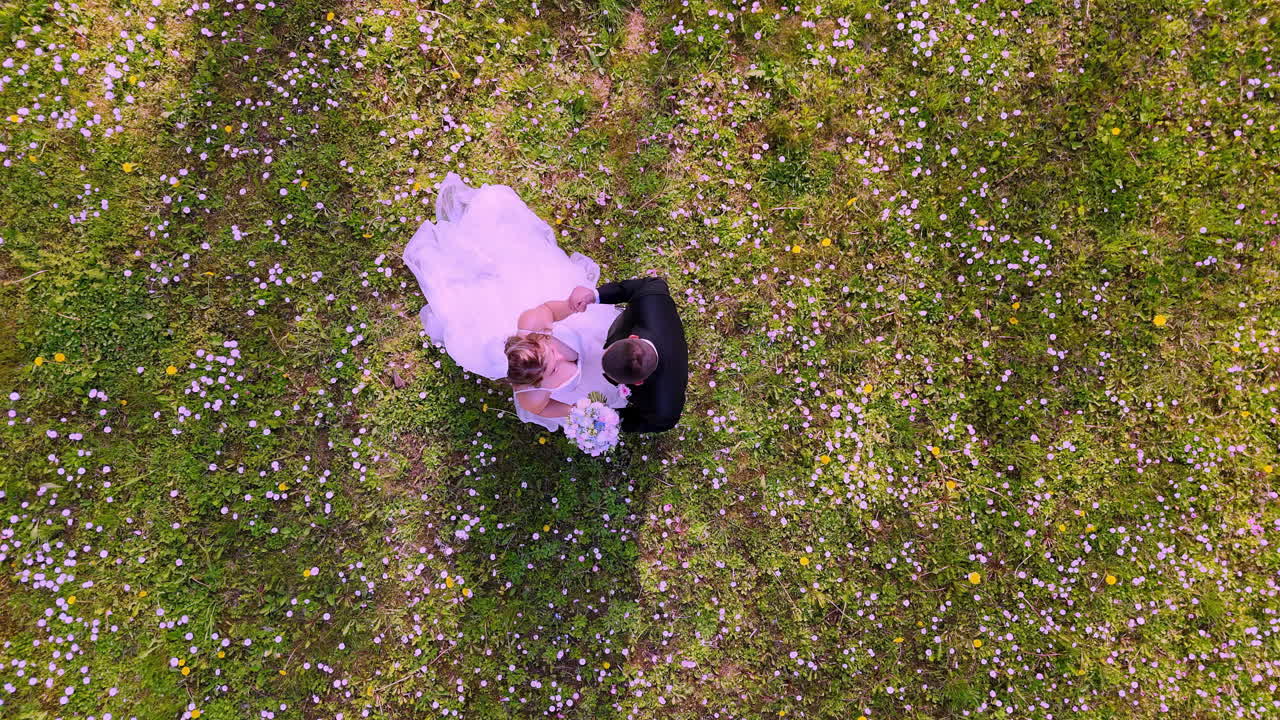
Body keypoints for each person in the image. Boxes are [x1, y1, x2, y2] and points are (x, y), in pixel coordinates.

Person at [401, 173, 625, 431]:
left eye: (549, 351)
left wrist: (569, 306)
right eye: (552, 370)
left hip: (580, 336)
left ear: (538, 339)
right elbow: (544, 408)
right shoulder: (531, 396)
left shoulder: (533, 323)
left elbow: (552, 310)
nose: (558, 359)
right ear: (536, 383)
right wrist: (576, 411)